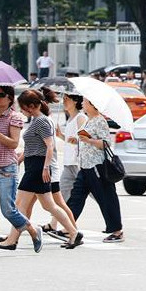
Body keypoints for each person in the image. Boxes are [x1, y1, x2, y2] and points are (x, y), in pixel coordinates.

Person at [0, 89, 81, 251]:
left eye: (23, 107)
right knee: (48, 206)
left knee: (20, 205)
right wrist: (20, 159)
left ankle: (12, 240)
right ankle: (74, 233)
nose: (21, 111)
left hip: (37, 167)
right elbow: (33, 146)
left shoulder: (41, 121)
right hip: (34, 165)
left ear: (31, 106)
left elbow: (50, 146)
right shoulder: (37, 120)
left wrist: (45, 167)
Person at [0, 85, 43, 258]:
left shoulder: (15, 117)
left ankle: (33, 230)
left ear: (10, 98)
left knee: (8, 210)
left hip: (6, 170)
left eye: (1, 95)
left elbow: (13, 144)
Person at [67, 98, 125, 243]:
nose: (82, 103)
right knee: (76, 197)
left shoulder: (100, 121)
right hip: (85, 166)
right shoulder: (89, 120)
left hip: (97, 166)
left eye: (85, 102)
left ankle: (117, 231)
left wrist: (89, 140)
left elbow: (106, 143)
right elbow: (86, 138)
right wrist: (77, 139)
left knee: (106, 197)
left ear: (93, 105)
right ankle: (68, 228)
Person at [44, 93, 87, 240]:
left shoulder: (81, 118)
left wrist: (77, 140)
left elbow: (85, 138)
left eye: (66, 99)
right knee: (62, 195)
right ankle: (54, 224)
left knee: (96, 193)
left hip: (77, 163)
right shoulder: (70, 119)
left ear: (75, 101)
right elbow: (70, 140)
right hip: (69, 163)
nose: (64, 101)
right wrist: (60, 135)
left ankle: (114, 220)